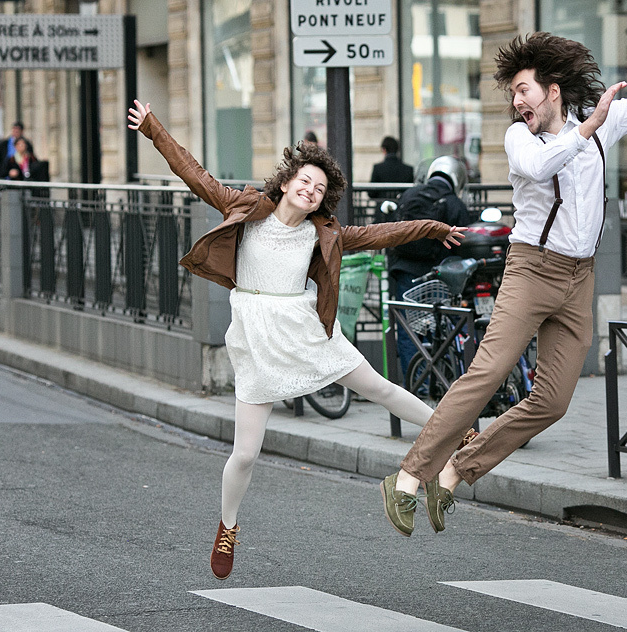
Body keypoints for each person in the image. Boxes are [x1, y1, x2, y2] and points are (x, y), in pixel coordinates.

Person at [379, 32, 627, 537]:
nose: (516, 101)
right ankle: (406, 477)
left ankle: (458, 470)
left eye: (524, 90)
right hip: (531, 271)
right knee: (486, 376)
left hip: (579, 279)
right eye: (512, 93)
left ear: (552, 90)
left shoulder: (599, 127)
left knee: (552, 401)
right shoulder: (520, 138)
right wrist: (588, 127)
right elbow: (539, 165)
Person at [127, 99, 465, 579]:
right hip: (257, 334)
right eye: (304, 180)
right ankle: (227, 526)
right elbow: (195, 174)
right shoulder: (245, 207)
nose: (310, 190)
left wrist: (431, 226)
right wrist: (154, 129)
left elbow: (382, 233)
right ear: (286, 182)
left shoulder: (322, 233)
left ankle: (454, 431)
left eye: (320, 187)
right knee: (245, 452)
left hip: (305, 330)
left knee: (379, 388)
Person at [389, 155, 471, 376]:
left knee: (409, 331)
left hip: (406, 271)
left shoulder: (409, 194)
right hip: (438, 275)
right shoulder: (455, 203)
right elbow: (463, 243)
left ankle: (416, 386)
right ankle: (442, 380)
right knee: (441, 328)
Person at [370, 136, 414, 200]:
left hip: (382, 206)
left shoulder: (378, 168)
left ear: (384, 149)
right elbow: (411, 192)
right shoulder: (408, 169)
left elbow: (371, 193)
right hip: (402, 207)